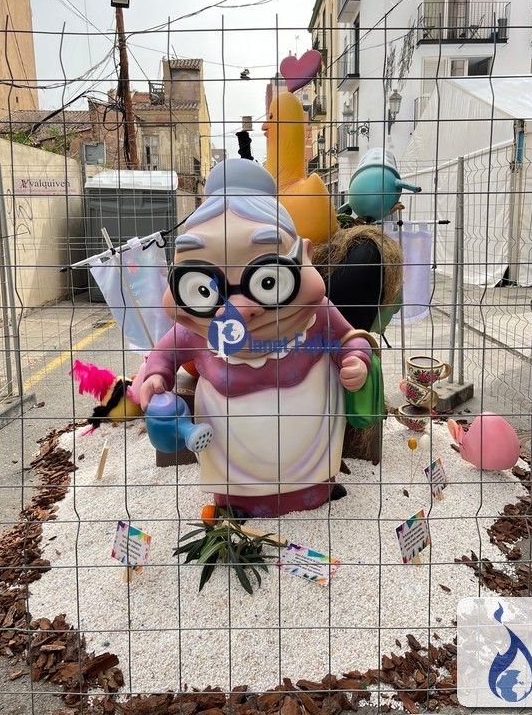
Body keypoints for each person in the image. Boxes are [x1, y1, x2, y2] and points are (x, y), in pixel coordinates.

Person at [139, 159, 371, 517]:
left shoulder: (317, 315)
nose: (239, 310)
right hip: (232, 457)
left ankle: (315, 489)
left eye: (268, 280)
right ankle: (238, 502)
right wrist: (156, 375)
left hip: (312, 450)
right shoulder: (195, 329)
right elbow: (162, 356)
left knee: (313, 476)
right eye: (203, 288)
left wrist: (356, 359)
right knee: (236, 489)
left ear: (305, 256)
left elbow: (350, 339)